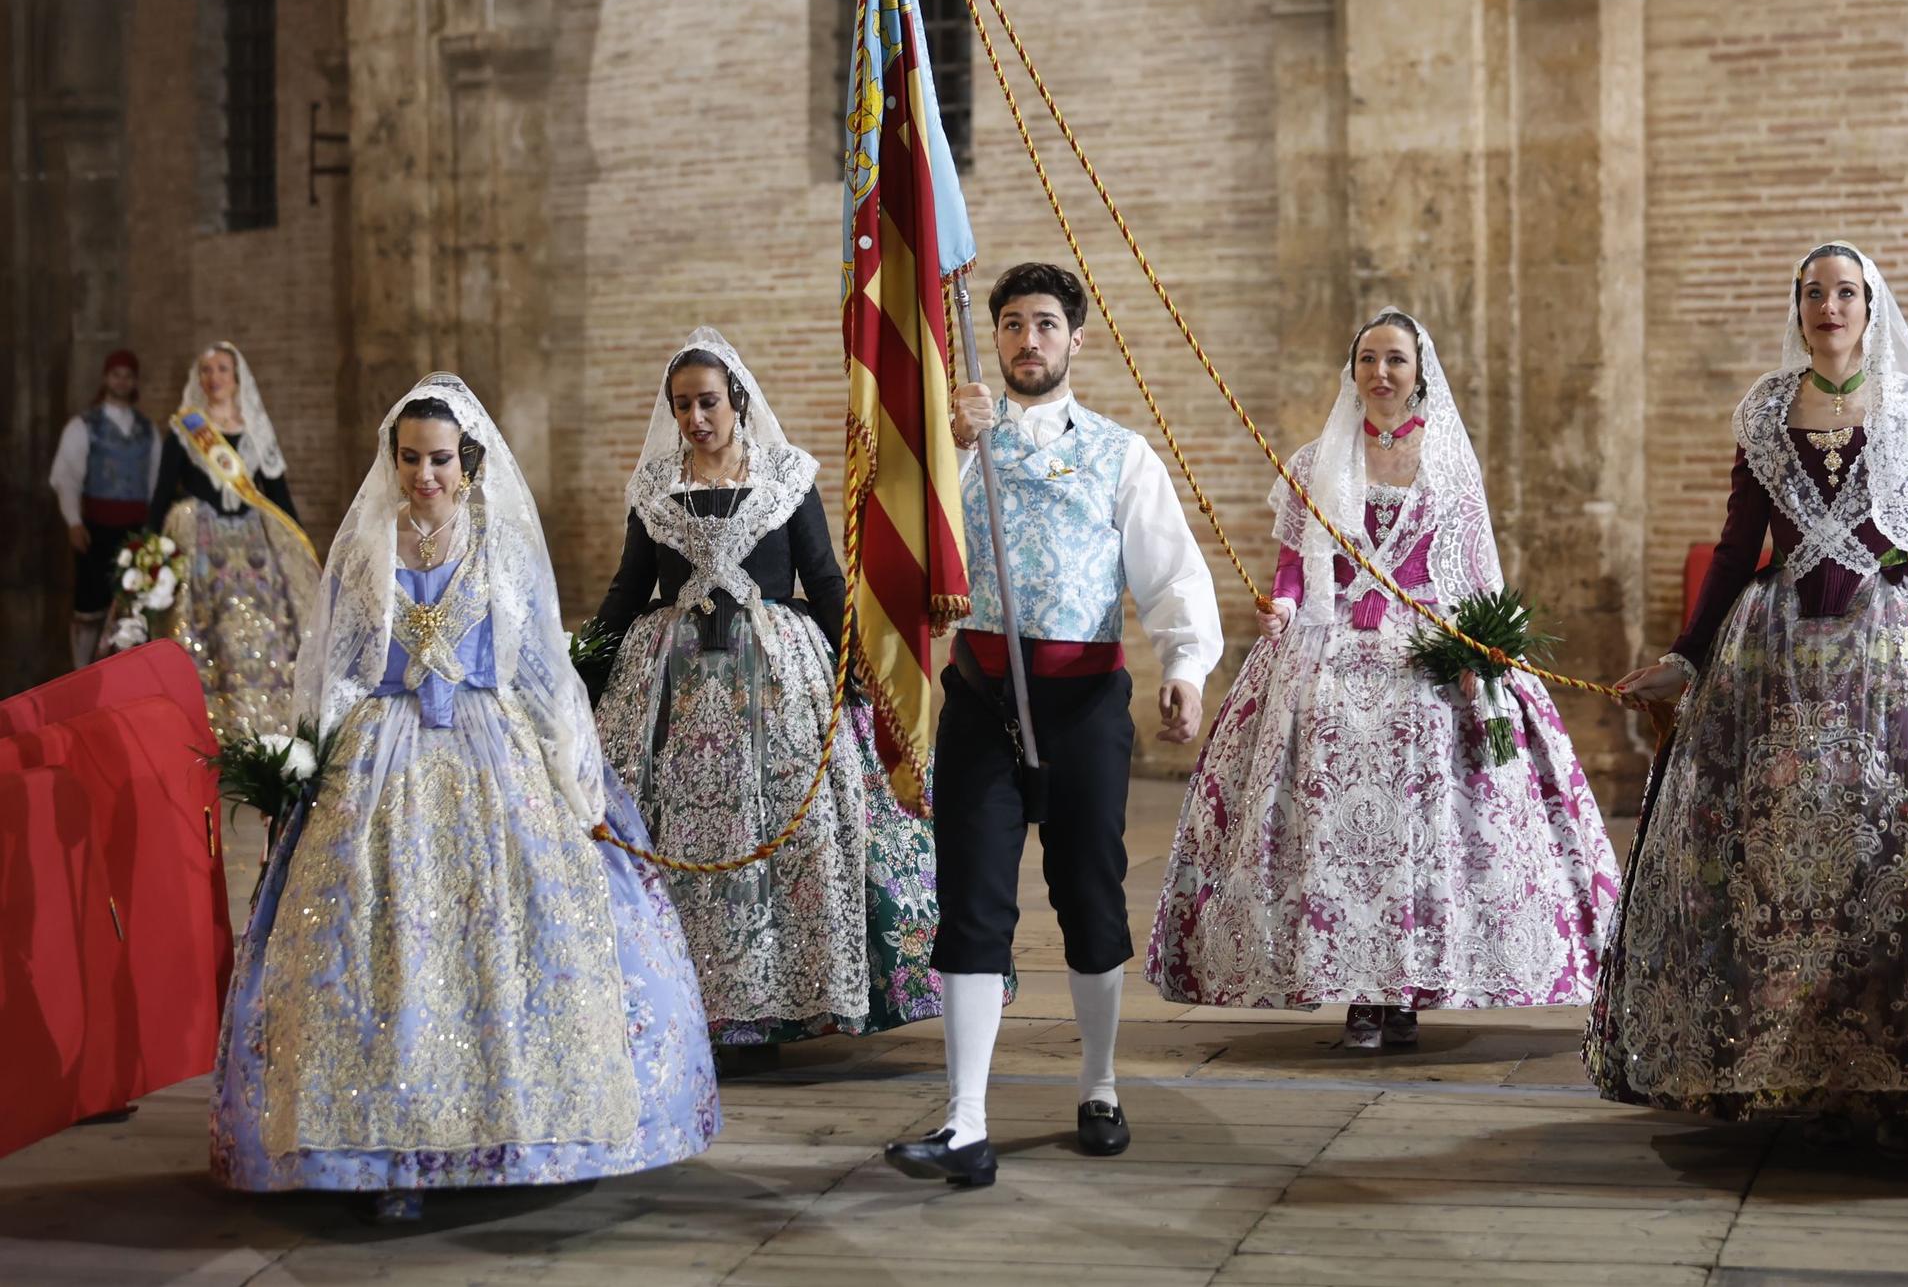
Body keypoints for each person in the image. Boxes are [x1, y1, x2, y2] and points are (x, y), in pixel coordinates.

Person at [210, 373, 720, 1221]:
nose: (424, 475)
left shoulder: (501, 543)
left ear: (468, 459)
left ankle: (520, 1138)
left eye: (440, 458)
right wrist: (304, 768)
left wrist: (575, 778)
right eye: (409, 458)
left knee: (508, 947)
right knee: (383, 952)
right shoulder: (369, 547)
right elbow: (334, 667)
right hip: (381, 764)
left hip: (494, 759)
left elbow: (540, 672)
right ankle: (387, 1154)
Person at [1590, 243, 1908, 1151]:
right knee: (1776, 861)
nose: (1829, 306)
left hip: (1893, 656)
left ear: (1869, 306)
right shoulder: (1766, 412)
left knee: (1893, 853)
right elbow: (1738, 550)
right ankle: (1779, 1063)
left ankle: (1895, 1070)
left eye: (1845, 292)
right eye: (1813, 293)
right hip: (1772, 661)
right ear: (1799, 307)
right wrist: (1685, 657)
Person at [1145, 309, 1621, 1048]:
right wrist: (1284, 608)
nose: (1381, 373)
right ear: (1352, 370)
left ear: (1419, 370)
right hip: (1327, 660)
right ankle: (1355, 990)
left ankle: (1406, 984)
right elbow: (1294, 570)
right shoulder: (1315, 461)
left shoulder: (1449, 463)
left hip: (1420, 666)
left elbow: (1470, 575)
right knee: (1330, 831)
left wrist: (1476, 660)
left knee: (1413, 833)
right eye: (1368, 359)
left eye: (1395, 359)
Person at [885, 262, 1223, 1188]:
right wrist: (942, 453)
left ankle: (1101, 1083)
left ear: (1076, 340)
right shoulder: (956, 445)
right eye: (1010, 325)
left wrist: (1185, 670)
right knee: (974, 899)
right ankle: (965, 1120)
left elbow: (1172, 577)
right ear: (992, 339)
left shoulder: (1121, 453)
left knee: (1088, 891)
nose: (1026, 340)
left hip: (1084, 703)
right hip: (981, 700)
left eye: (1044, 324)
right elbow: (901, 545)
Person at [591, 327, 944, 1043]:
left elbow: (822, 578)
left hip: (778, 686)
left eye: (709, 402)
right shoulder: (655, 489)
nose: (696, 418)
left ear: (738, 400)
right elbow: (629, 589)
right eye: (683, 404)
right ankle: (689, 1000)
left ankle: (788, 994)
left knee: (796, 828)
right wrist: (578, 671)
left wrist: (859, 676)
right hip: (671, 689)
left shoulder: (786, 478)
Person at [150, 342, 317, 735]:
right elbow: (161, 494)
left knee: (266, 629)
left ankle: (266, 720)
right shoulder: (186, 428)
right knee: (214, 631)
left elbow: (278, 497)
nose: (214, 378)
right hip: (203, 547)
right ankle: (217, 723)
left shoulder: (257, 430)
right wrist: (149, 552)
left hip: (255, 546)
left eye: (222, 369)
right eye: (206, 370)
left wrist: (303, 548)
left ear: (237, 378)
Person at [48, 349, 159, 668]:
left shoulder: (147, 429)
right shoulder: (85, 425)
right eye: (116, 374)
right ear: (106, 378)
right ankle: (82, 674)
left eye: (128, 375)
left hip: (136, 533)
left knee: (133, 609)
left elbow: (154, 484)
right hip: (95, 530)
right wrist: (73, 521)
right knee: (90, 608)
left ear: (134, 381)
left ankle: (126, 676)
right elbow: (65, 476)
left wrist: (152, 532)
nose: (121, 380)